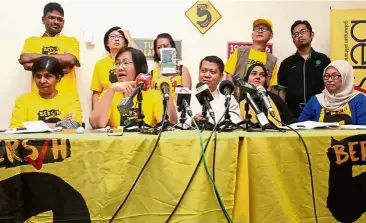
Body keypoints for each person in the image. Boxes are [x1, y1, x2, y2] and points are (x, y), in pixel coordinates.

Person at [89, 47, 178, 128]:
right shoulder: (110, 92)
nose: (120, 68)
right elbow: (96, 124)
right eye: (117, 63)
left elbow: (169, 122)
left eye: (126, 63)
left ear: (139, 66)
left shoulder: (152, 92)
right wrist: (111, 89)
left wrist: (165, 85)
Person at [18, 2, 81, 98]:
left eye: (60, 19)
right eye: (52, 17)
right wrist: (60, 64)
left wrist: (35, 58)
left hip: (67, 100)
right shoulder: (32, 41)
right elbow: (25, 62)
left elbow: (69, 60)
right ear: (43, 19)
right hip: (39, 100)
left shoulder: (71, 41)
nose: (56, 21)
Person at [278, 20, 331, 118]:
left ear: (312, 34)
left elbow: (330, 87)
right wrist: (284, 113)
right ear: (293, 39)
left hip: (319, 110)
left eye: (303, 31)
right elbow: (282, 92)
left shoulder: (324, 60)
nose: (300, 36)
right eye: (296, 34)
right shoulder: (286, 63)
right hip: (293, 113)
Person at [10, 56, 82, 128]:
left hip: (61, 139)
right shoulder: (23, 100)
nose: (42, 81)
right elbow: (15, 128)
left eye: (48, 76)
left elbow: (74, 125)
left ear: (58, 78)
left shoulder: (70, 99)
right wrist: (60, 124)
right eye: (38, 76)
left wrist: (29, 125)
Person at [298, 60, 366, 125]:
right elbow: (299, 126)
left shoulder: (359, 100)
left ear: (346, 78)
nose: (329, 80)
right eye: (326, 76)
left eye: (335, 76)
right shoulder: (316, 100)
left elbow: (363, 130)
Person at [90, 26, 139, 109]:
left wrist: (128, 37)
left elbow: (139, 57)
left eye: (120, 37)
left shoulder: (132, 62)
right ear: (107, 43)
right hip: (107, 109)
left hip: (130, 106)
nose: (116, 39)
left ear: (125, 43)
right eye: (113, 36)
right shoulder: (100, 64)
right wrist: (95, 114)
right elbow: (96, 93)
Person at [225, 18, 278, 90]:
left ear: (271, 35)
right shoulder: (239, 52)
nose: (260, 31)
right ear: (252, 34)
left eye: (264, 28)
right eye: (256, 28)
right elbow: (229, 76)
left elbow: (270, 86)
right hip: (237, 98)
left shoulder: (272, 60)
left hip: (259, 99)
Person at [189, 56, 241, 125]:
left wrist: (209, 122)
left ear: (221, 77)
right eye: (203, 71)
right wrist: (192, 121)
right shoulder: (187, 96)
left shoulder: (228, 99)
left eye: (212, 72)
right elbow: (176, 122)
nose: (207, 75)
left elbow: (236, 122)